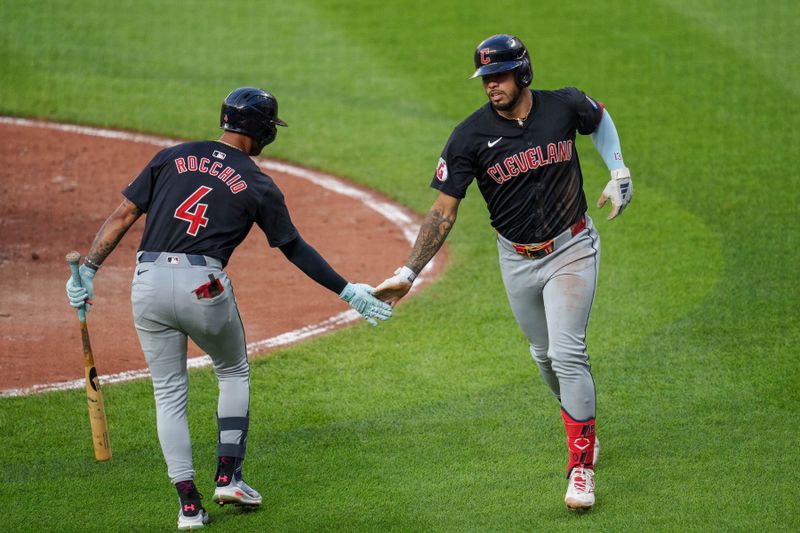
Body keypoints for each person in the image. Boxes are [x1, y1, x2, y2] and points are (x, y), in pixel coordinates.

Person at [65, 87, 393, 530]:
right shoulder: (257, 182)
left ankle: (187, 507)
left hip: (147, 284)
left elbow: (124, 215)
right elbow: (293, 247)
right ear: (260, 130)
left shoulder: (171, 157)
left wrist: (87, 270)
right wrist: (346, 291)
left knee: (168, 394)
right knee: (233, 371)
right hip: (204, 287)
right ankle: (228, 476)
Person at [374, 34, 632, 510]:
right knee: (544, 356)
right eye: (486, 78)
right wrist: (408, 272)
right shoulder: (469, 136)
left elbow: (599, 118)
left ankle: (581, 467)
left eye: (499, 75)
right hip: (516, 259)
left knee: (567, 352)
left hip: (572, 246)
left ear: (523, 72)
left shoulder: (563, 106)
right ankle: (583, 423)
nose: (491, 85)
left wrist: (618, 171)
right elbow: (442, 212)